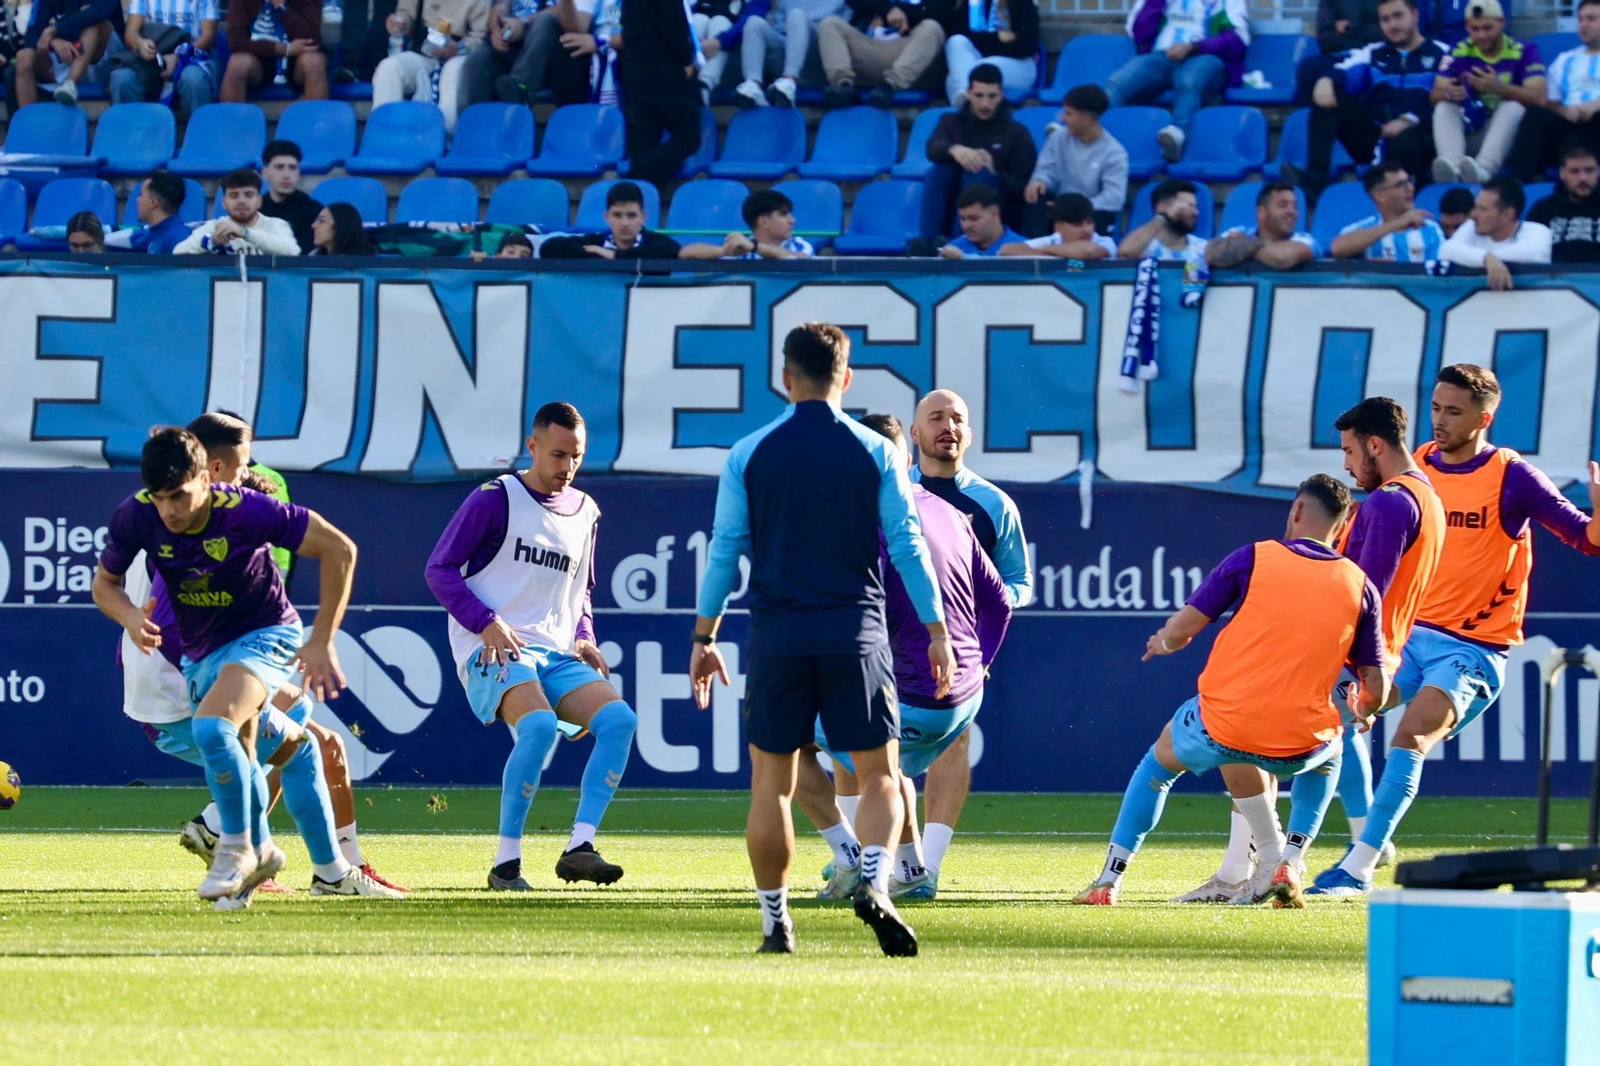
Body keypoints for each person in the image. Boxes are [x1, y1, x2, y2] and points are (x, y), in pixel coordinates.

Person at [690, 322, 953, 956]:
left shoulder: (749, 453)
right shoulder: (878, 451)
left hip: (778, 636)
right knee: (882, 777)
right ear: (848, 378)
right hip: (856, 634)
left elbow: (725, 551)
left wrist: (704, 634)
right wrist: (936, 629)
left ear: (786, 378)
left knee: (770, 786)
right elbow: (908, 546)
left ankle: (775, 922)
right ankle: (875, 884)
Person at [1309, 364, 1600, 895]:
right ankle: (1334, 839)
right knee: (1329, 711)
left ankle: (1358, 867)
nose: (1439, 421)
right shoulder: (1418, 463)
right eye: (1436, 408)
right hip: (1412, 641)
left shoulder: (1512, 475)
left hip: (1473, 650)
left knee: (1409, 736)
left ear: (1484, 418)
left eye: (1454, 412)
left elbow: (1588, 538)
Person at [126, 412, 406, 900]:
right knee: (271, 738)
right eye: (238, 467)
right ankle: (238, 847)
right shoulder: (189, 530)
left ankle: (320, 870)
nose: (245, 477)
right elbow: (169, 627)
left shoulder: (183, 512)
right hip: (177, 697)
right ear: (209, 469)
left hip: (165, 690)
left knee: (302, 747)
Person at [1075, 474, 1388, 908]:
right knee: (1333, 750)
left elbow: (1182, 631)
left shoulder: (1253, 558)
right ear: (1346, 520)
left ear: (1296, 510)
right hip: (1301, 741)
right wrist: (1366, 708)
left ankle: (1108, 881)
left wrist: (1161, 642)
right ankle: (1289, 859)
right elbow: (1376, 683)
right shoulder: (1360, 584)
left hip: (1223, 727)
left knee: (1159, 765)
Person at [1176, 398, 1445, 904]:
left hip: (1342, 657)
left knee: (1250, 739)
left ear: (1374, 444)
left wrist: (1345, 666)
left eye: (1349, 450)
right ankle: (1258, 866)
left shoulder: (1389, 502)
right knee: (1287, 748)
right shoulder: (1429, 496)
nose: (1345, 464)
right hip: (1374, 656)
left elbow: (1367, 591)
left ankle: (1271, 867)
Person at [425, 402, 640, 891]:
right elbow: (439, 570)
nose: (567, 467)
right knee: (540, 726)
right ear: (533, 446)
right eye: (558, 454)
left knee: (620, 721)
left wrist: (585, 637)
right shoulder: (494, 498)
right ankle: (506, 863)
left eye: (577, 457)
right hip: (494, 648)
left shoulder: (586, 512)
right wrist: (486, 623)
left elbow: (581, 591)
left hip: (555, 652)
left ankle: (579, 847)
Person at [805, 413, 1011, 902]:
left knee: (778, 737)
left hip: (916, 695)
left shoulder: (864, 523)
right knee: (885, 763)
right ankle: (906, 868)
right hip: (964, 699)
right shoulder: (951, 513)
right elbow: (1001, 602)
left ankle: (855, 860)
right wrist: (979, 663)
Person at [884, 387, 1031, 885]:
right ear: (916, 431)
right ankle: (880, 853)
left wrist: (979, 645)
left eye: (959, 419)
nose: (949, 426)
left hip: (960, 657)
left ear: (969, 433)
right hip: (888, 651)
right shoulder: (890, 493)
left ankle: (929, 865)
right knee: (876, 751)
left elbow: (1018, 583)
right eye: (937, 417)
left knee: (954, 741)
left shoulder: (992, 504)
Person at [1285, 0, 1447, 199]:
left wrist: (1410, 120)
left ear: (1415, 15)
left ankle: (1405, 189)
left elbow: (1450, 102)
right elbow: (1344, 70)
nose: (1392, 25)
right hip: (1377, 134)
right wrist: (1326, 80)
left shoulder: (1442, 54)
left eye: (1398, 16)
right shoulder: (1373, 52)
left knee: (1408, 139)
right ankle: (1315, 181)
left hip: (1418, 137)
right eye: (1385, 19)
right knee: (1328, 98)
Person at [1106, 0, 1251, 163]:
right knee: (1120, 81)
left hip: (1204, 57)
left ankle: (1176, 135)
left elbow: (1238, 40)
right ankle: (1096, 132)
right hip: (1161, 56)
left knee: (1190, 81)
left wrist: (1193, 47)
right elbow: (1138, 32)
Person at [1428, 2, 1544, 184]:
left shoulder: (1525, 50)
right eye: (1475, 29)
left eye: (1488, 28)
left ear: (1502, 22)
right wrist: (1449, 93)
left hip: (1509, 138)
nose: (1482, 35)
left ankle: (1483, 171)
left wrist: (1499, 88)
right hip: (1473, 131)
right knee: (1444, 105)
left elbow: (1540, 98)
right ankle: (1453, 168)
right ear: (1467, 26)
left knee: (1513, 106)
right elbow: (1434, 95)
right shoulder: (1456, 50)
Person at [925, 63, 1037, 230]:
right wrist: (955, 150)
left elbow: (1023, 186)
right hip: (953, 201)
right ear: (968, 93)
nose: (985, 104)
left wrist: (994, 172)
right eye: (979, 95)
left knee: (977, 170)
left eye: (992, 96)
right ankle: (928, 242)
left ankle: (961, 241)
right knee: (938, 171)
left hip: (998, 208)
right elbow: (932, 148)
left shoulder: (1017, 133)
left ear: (1001, 95)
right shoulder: (950, 121)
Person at [1507, 0, 1600, 181]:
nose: (1584, 24)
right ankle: (1518, 185)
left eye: (1591, 19)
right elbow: (1549, 102)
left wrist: (1595, 105)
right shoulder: (1565, 59)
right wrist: (1565, 111)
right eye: (1580, 19)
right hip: (1569, 126)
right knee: (1535, 114)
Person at [618, 0, 703, 190]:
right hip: (665, 68)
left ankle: (634, 195)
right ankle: (631, 186)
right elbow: (674, 23)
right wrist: (686, 58)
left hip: (634, 68)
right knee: (688, 137)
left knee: (643, 142)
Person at [1024, 83, 1128, 237]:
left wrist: (1075, 208)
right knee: (1036, 197)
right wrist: (1040, 180)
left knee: (1102, 216)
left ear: (1086, 118)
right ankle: (1033, 255)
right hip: (1058, 207)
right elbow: (1046, 169)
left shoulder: (1114, 153)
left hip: (1090, 212)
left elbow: (1113, 198)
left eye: (1068, 113)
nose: (1062, 118)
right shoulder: (1057, 137)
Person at [372, 0, 489, 133]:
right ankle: (383, 133)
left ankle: (444, 136)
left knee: (452, 72)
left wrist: (460, 48)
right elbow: (406, 14)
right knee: (388, 67)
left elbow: (482, 37)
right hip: (425, 50)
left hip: (460, 55)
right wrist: (400, 23)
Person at [816, 0, 956, 110]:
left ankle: (889, 86)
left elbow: (938, 10)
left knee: (932, 27)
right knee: (830, 24)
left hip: (912, 55)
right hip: (871, 47)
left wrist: (903, 13)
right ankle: (843, 86)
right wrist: (888, 9)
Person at [461, 0, 596, 109]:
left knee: (545, 20)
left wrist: (523, 22)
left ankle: (522, 86)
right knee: (478, 59)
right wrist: (496, 27)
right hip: (512, 41)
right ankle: (478, 125)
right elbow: (500, 6)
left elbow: (574, 14)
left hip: (551, 51)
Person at [718, 0, 843, 109]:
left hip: (819, 54)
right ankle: (753, 85)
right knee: (754, 23)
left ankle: (789, 81)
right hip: (787, 45)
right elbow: (778, 21)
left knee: (797, 15)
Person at [110, 0, 221, 116]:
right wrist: (140, 44)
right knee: (122, 78)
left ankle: (201, 131)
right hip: (153, 57)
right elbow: (131, 32)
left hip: (192, 56)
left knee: (193, 79)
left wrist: (178, 56)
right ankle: (132, 132)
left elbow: (208, 37)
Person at [1440, 177, 1552, 288]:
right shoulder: (1471, 227)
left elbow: (1532, 254)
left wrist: (1488, 259)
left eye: (1483, 209)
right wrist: (1486, 259)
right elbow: (1445, 251)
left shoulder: (1538, 231)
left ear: (1507, 215)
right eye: (1475, 207)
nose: (1473, 215)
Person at [1329, 161, 1446, 261]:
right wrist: (1397, 224)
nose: (1410, 188)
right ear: (1379, 195)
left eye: (1409, 181)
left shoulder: (1430, 228)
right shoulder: (1367, 228)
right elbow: (1337, 248)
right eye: (1401, 185)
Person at [13, 0, 121, 105]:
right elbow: (30, 37)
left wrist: (56, 29)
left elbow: (100, 12)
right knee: (24, 57)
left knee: (94, 24)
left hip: (105, 62)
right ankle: (27, 120)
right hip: (69, 57)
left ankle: (70, 83)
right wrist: (53, 41)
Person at [539, 181, 682, 260]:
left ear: (643, 217)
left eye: (631, 215)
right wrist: (600, 253)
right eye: (617, 215)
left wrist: (614, 255)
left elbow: (672, 250)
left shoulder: (659, 243)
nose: (625, 223)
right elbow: (549, 248)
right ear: (607, 217)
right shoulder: (595, 243)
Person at [221, 0, 330, 102]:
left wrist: (281, 8)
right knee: (237, 64)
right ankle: (230, 120)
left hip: (297, 58)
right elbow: (237, 42)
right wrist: (282, 49)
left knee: (314, 62)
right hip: (258, 57)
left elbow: (312, 39)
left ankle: (316, 121)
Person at [175, 169, 302, 255]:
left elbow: (293, 251)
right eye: (234, 195)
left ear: (259, 201)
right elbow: (178, 252)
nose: (241, 201)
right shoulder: (214, 227)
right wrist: (211, 241)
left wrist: (245, 233)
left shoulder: (276, 225)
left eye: (248, 195)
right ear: (223, 203)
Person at [942, 0, 1039, 107]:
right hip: (978, 60)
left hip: (1019, 65)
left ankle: (965, 104)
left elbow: (1027, 45)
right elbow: (959, 31)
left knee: (973, 71)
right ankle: (965, 99)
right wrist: (997, 38)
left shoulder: (1022, 3)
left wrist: (983, 41)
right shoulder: (973, 3)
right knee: (956, 41)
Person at [1205, 181, 1321, 269]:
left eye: (1295, 206)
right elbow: (1210, 253)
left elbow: (1282, 257)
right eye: (1282, 205)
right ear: (1262, 212)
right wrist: (1264, 246)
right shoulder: (1242, 231)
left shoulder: (1306, 240)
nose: (1291, 212)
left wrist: (1244, 245)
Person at [678, 187, 815, 259]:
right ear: (764, 221)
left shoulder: (800, 245)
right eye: (783, 214)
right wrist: (723, 251)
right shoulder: (741, 247)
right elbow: (685, 253)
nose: (792, 220)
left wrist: (754, 247)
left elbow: (795, 260)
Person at [1526, 138, 1600, 261]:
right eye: (1574, 171)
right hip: (1552, 279)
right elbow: (1527, 254)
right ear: (1562, 173)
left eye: (1589, 170)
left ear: (1598, 171)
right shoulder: (1543, 210)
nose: (1582, 178)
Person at [999, 192, 1118, 259]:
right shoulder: (1053, 240)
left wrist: (1045, 250)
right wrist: (1063, 254)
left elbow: (1088, 252)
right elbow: (1007, 250)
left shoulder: (1105, 242)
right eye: (1078, 225)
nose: (1087, 230)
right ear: (1058, 227)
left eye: (1089, 223)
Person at [1117, 176, 1207, 262]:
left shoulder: (1202, 248)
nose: (1196, 212)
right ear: (1162, 208)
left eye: (1195, 207)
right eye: (1189, 206)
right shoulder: (1145, 247)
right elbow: (1125, 253)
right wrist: (1162, 217)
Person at [258, 141, 324, 255]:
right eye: (279, 167)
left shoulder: (313, 210)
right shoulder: (254, 209)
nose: (287, 175)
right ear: (265, 173)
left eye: (292, 168)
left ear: (298, 172)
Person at [939, 183, 1025, 257]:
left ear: (995, 213)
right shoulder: (953, 249)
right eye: (962, 219)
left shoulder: (1024, 249)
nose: (966, 225)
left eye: (974, 219)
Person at [129, 171, 193, 255]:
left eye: (141, 194)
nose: (137, 200)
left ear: (153, 203)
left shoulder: (178, 240)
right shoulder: (151, 234)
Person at [309, 201, 376, 254]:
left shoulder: (365, 265)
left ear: (340, 225)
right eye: (316, 220)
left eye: (322, 220)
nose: (313, 225)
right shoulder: (314, 256)